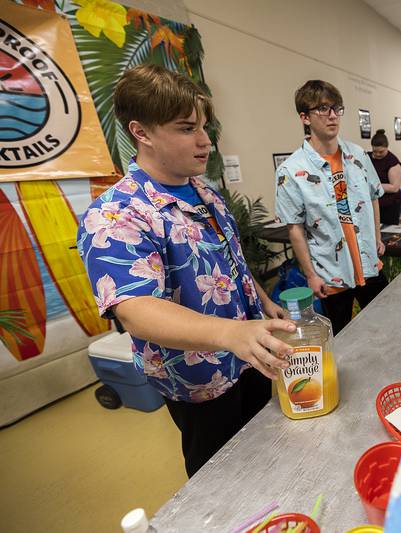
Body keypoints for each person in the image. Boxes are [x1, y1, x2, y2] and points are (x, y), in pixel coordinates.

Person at [77, 64, 295, 478]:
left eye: (205, 127)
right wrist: (229, 334)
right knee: (220, 473)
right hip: (200, 379)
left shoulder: (203, 191)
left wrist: (263, 303)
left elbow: (228, 260)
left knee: (265, 450)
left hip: (249, 356)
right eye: (186, 128)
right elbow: (135, 309)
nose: (205, 141)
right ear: (141, 132)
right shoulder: (114, 215)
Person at [275, 80, 387, 336]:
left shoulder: (358, 155)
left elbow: (373, 196)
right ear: (304, 117)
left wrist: (378, 239)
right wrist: (311, 275)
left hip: (369, 262)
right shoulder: (291, 171)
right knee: (343, 336)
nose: (333, 115)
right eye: (323, 109)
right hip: (331, 272)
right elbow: (295, 228)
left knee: (385, 326)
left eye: (336, 108)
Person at [368, 129, 401, 225]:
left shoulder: (393, 162)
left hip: (389, 204)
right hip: (372, 202)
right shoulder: (367, 157)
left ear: (387, 147)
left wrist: (371, 185)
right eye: (375, 151)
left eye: (381, 151)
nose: (377, 154)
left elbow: (394, 187)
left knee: (388, 231)